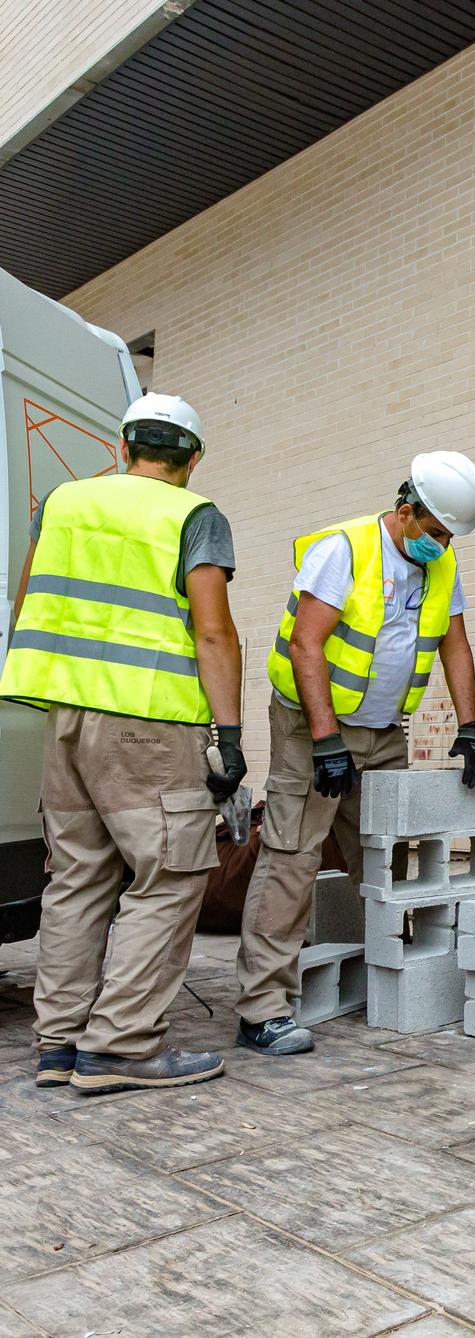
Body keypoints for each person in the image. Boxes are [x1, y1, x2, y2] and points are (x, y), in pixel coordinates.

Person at [1, 393, 247, 1093]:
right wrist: (227, 735)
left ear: (123, 446)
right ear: (192, 458)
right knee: (170, 874)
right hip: (146, 723)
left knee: (77, 876)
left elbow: (27, 601)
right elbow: (212, 631)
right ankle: (121, 1046)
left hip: (66, 720)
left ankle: (60, 1043)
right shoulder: (195, 516)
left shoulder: (63, 504)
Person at [232, 452, 475, 1056]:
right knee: (292, 855)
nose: (443, 544)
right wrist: (325, 741)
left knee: (387, 858)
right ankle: (262, 1009)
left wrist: (472, 727)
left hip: (381, 733)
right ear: (405, 512)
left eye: (451, 536)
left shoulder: (442, 563)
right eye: (434, 532)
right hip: (311, 725)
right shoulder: (345, 550)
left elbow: (456, 644)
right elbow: (306, 645)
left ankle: (393, 976)